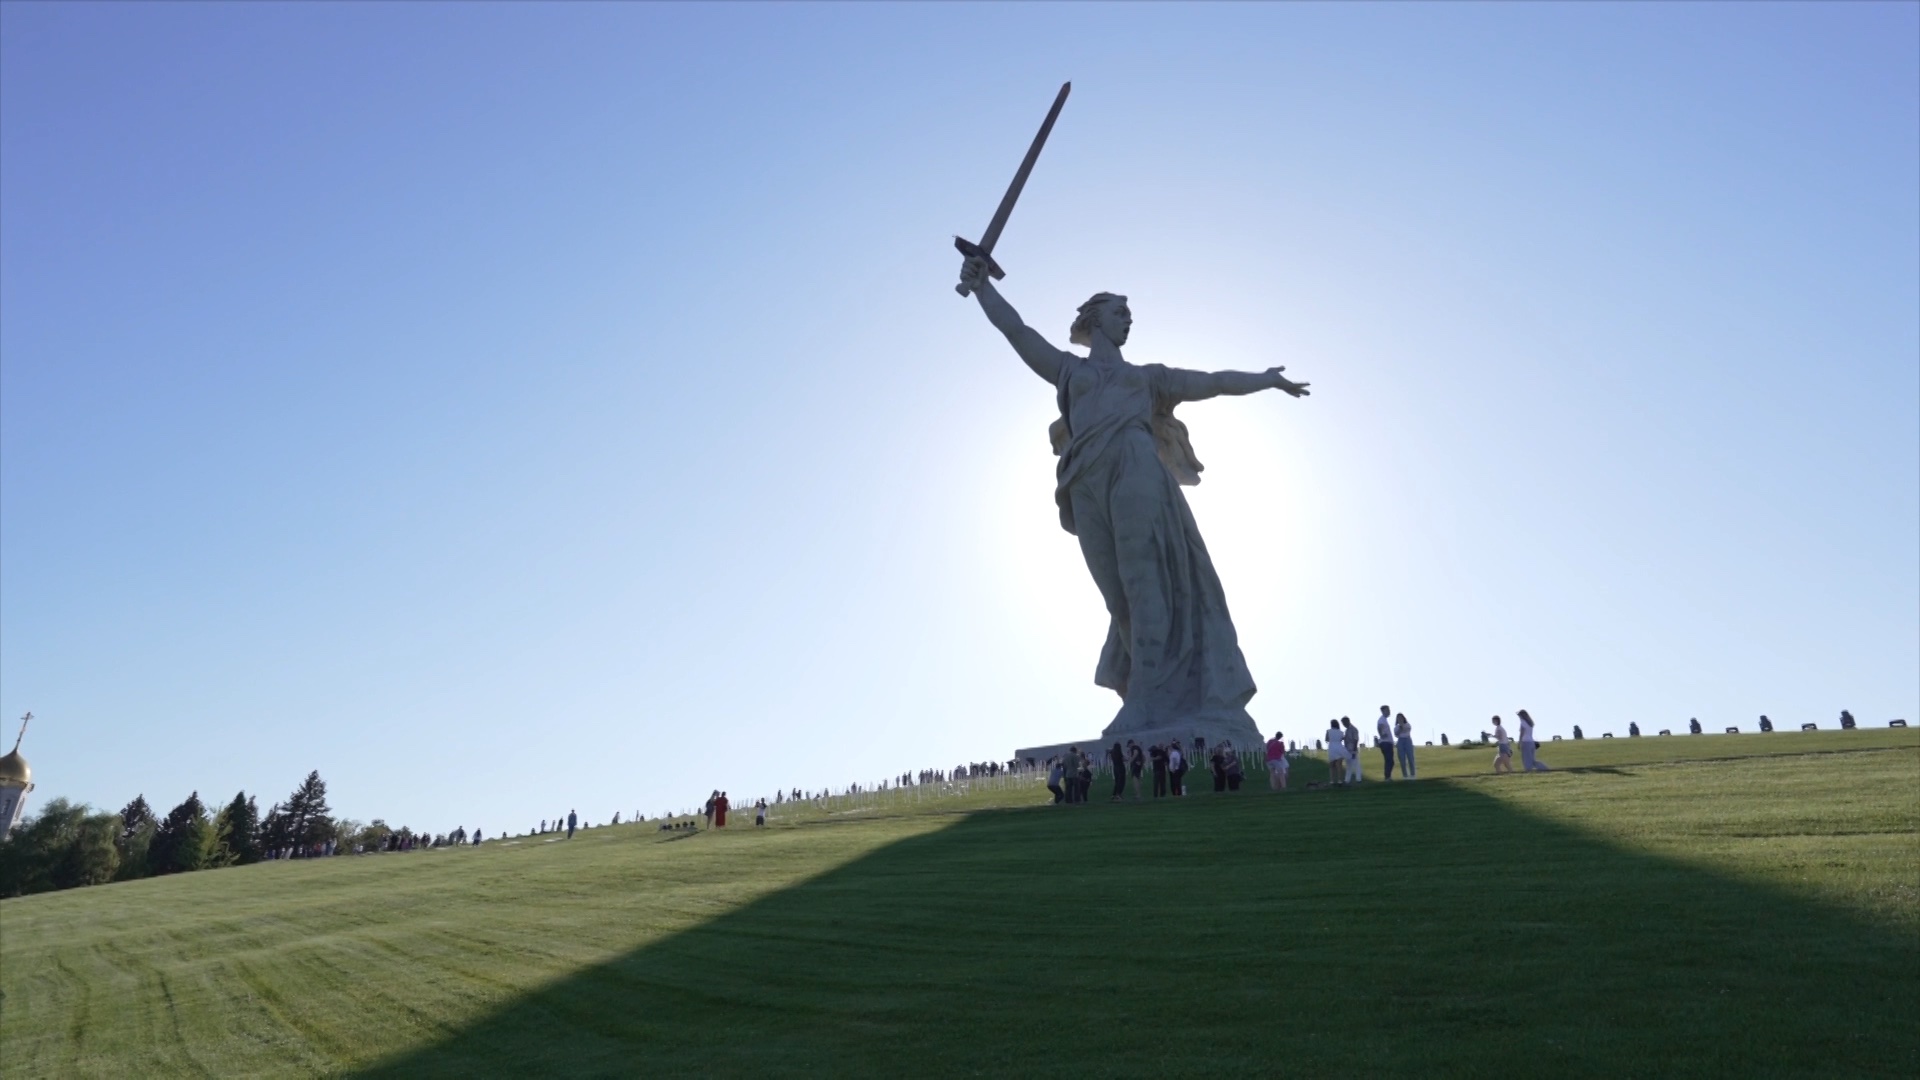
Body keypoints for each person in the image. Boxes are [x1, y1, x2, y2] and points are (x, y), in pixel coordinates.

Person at [956, 255, 1310, 745]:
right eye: (1120, 312)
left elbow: (1213, 382)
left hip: (1135, 465)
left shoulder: (1147, 379)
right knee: (1117, 596)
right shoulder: (1068, 371)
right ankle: (1148, 689)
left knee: (1144, 580)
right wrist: (982, 289)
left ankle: (1145, 696)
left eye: (1129, 315)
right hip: (1083, 478)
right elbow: (1017, 331)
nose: (1128, 320)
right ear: (1095, 319)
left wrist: (1265, 378)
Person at [1325, 719, 1347, 784]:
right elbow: (1342, 739)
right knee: (1339, 765)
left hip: (1332, 748)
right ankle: (1340, 780)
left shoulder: (1328, 731)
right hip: (1339, 747)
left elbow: (1326, 739)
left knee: (1332, 766)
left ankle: (1332, 780)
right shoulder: (1341, 732)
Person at [1376, 706, 1396, 780]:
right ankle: (1387, 777)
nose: (1389, 711)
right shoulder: (1381, 720)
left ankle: (1388, 776)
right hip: (1385, 742)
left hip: (1388, 742)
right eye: (1387, 710)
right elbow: (1379, 727)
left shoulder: (1384, 719)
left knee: (1390, 761)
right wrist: (1381, 735)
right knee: (1389, 760)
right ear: (1383, 711)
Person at [1394, 713, 1416, 779]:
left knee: (1410, 758)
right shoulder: (1396, 727)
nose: (1400, 719)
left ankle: (1412, 775)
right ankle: (1405, 775)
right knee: (1402, 759)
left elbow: (1407, 730)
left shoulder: (1407, 725)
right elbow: (1396, 734)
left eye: (1401, 718)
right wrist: (1400, 728)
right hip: (1400, 741)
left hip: (1407, 740)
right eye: (1398, 718)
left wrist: (1402, 726)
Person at [1342, 717, 1363, 783]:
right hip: (1347, 749)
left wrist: (1354, 750)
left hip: (1352, 748)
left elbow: (1356, 740)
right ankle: (1347, 780)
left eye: (1344, 723)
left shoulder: (1354, 729)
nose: (1343, 725)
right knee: (1348, 765)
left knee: (1356, 765)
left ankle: (1358, 779)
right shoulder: (1346, 730)